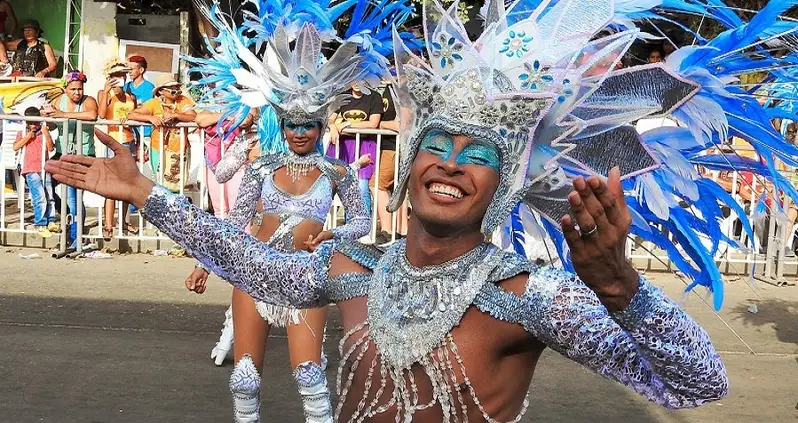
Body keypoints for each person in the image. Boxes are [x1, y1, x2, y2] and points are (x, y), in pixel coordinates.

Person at [48, 1, 740, 420]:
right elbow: (252, 264)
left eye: (477, 153)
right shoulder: (351, 266)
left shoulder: (532, 295)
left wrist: (620, 286)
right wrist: (150, 195)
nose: (448, 161)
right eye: (435, 144)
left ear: (503, 185)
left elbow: (697, 382)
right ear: (408, 171)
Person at [42, 70, 97, 250]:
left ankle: (75, 237)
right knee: (47, 184)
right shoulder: (59, 101)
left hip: (83, 153)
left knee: (74, 196)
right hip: (62, 151)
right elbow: (52, 121)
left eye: (79, 89)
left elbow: (91, 115)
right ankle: (66, 219)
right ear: (66, 89)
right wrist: (46, 117)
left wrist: (62, 115)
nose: (76, 93)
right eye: (73, 89)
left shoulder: (88, 100)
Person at [127, 75, 195, 192]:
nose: (175, 90)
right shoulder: (154, 103)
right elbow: (131, 115)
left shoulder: (183, 100)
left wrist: (176, 116)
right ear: (161, 91)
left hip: (180, 149)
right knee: (161, 182)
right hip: (158, 148)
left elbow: (193, 115)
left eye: (176, 87)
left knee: (177, 184)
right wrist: (150, 118)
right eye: (171, 87)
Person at [97, 60, 139, 239]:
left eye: (122, 75)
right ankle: (108, 224)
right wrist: (107, 92)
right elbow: (101, 114)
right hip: (113, 143)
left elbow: (136, 117)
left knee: (128, 185)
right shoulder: (103, 93)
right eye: (115, 76)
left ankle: (123, 221)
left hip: (129, 142)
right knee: (112, 186)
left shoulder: (131, 96)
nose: (119, 79)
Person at [326, 83, 382, 215]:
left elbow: (373, 124)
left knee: (361, 187)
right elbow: (330, 120)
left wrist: (347, 124)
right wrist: (333, 126)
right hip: (344, 147)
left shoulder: (374, 97)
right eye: (355, 77)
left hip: (364, 145)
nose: (357, 82)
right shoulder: (343, 96)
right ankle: (348, 225)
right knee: (343, 185)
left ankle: (363, 226)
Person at [13, 107, 57, 237]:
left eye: (35, 122)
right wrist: (28, 136)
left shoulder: (43, 132)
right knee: (39, 197)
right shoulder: (22, 132)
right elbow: (16, 147)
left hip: (44, 167)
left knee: (50, 195)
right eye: (30, 122)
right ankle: (40, 223)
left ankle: (51, 220)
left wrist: (46, 133)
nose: (33, 125)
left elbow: (51, 147)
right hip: (30, 169)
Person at [372, 82, 408, 244]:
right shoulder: (389, 87)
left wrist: (381, 124)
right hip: (387, 146)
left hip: (395, 147)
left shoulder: (406, 88)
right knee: (396, 188)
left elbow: (402, 124)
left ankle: (387, 229)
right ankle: (401, 230)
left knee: (376, 184)